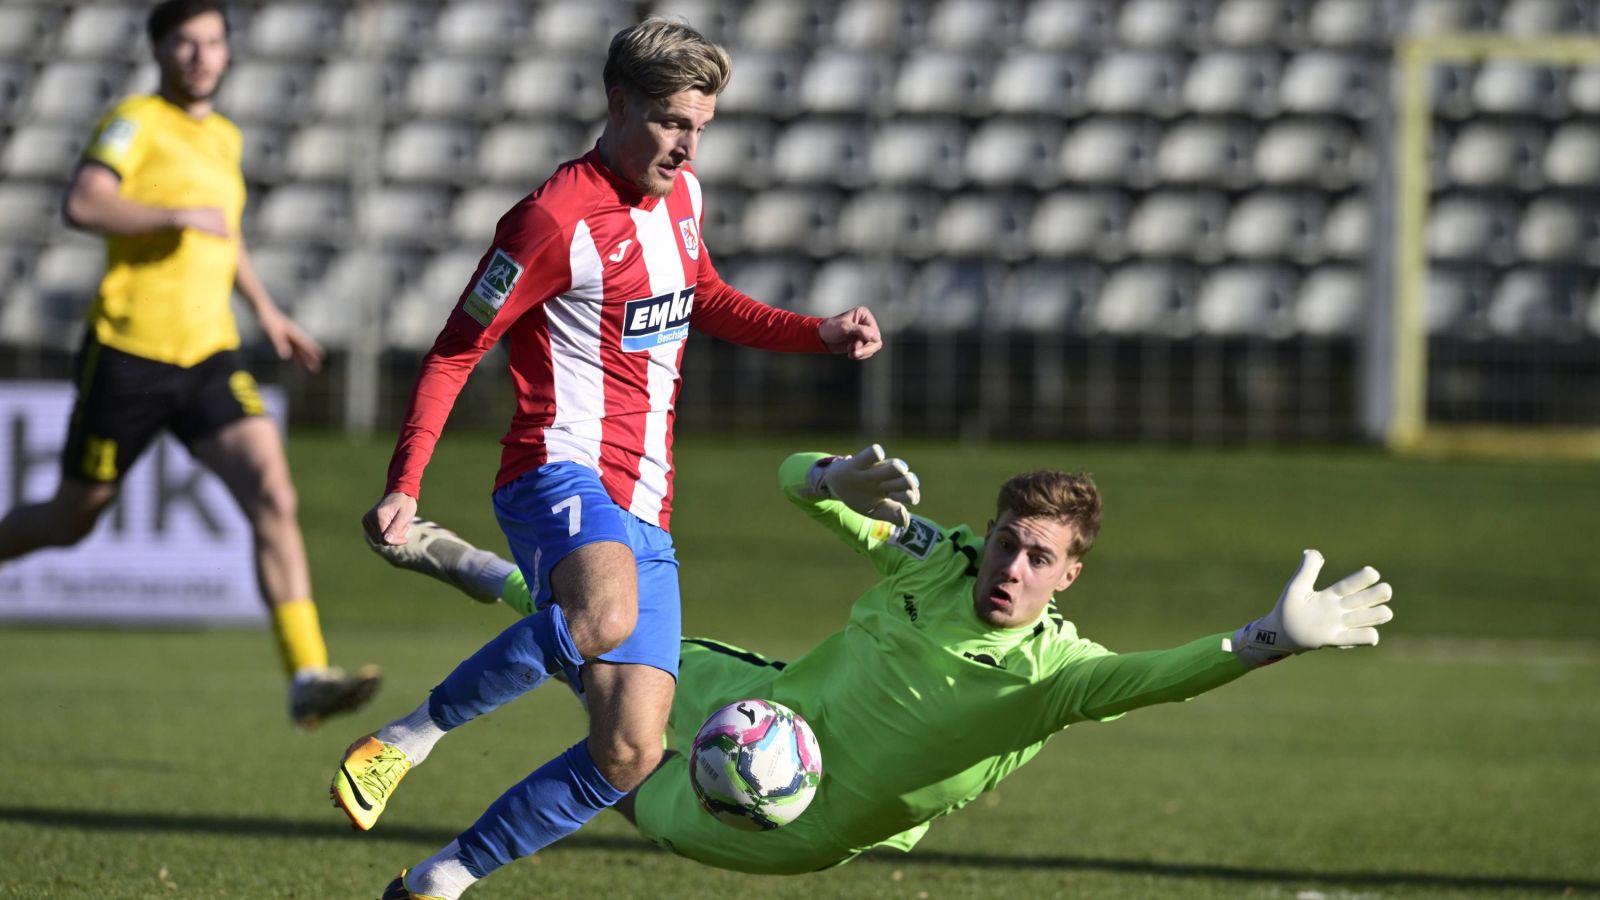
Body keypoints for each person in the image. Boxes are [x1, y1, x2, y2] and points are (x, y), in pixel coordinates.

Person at [331, 18, 884, 899]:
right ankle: (409, 736)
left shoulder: (683, 196)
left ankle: (440, 881)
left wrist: (815, 333)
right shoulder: (550, 220)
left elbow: (703, 296)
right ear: (618, 103)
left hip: (646, 499)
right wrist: (405, 483)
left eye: (701, 125)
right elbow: (454, 350)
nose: (688, 143)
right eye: (671, 121)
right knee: (605, 616)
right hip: (554, 467)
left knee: (630, 750)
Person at [368, 443, 1395, 878]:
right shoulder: (938, 559)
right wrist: (828, 473)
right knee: (615, 630)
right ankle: (473, 574)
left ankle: (479, 620)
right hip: (760, 703)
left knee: (622, 750)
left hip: (786, 825)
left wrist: (1266, 642)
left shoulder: (1055, 676)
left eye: (1039, 558)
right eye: (1006, 540)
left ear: (1068, 576)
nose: (1010, 566)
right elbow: (793, 488)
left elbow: (1168, 671)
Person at [0, 0, 380, 729]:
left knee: (274, 493)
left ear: (228, 53)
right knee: (72, 518)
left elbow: (224, 233)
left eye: (212, 42)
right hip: (129, 354)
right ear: (161, 50)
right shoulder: (136, 121)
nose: (201, 56)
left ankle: (305, 673)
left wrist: (266, 312)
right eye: (186, 42)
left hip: (209, 354)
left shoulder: (225, 138)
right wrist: (171, 215)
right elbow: (85, 202)